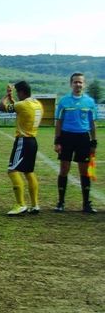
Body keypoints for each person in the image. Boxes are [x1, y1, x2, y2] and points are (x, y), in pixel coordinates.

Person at [53, 73, 98, 213]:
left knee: (84, 172)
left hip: (83, 138)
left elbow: (92, 123)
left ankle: (86, 204)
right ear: (70, 84)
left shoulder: (90, 102)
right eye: (75, 82)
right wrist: (57, 141)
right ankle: (60, 203)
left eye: (80, 82)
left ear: (84, 84)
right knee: (64, 170)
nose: (78, 84)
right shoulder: (64, 101)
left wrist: (93, 142)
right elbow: (59, 122)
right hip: (67, 137)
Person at [0, 81, 43, 215]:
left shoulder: (23, 104)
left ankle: (20, 204)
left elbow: (2, 107)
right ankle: (35, 205)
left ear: (22, 92)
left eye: (17, 93)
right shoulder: (37, 104)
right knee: (29, 172)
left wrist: (7, 95)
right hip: (33, 140)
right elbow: (16, 106)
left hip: (23, 140)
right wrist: (12, 98)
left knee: (12, 170)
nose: (17, 95)